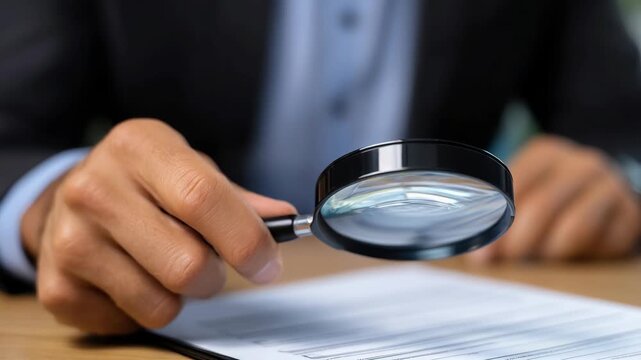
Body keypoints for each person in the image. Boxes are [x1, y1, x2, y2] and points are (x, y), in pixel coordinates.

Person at [1, 0, 640, 334]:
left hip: (456, 284)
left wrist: (617, 175)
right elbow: (10, 135)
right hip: (184, 293)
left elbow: (620, 124)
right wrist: (53, 203)